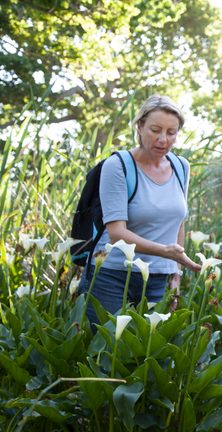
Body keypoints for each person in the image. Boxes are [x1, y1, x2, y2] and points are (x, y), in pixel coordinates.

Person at [79, 95, 201, 322]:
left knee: (151, 353)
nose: (163, 139)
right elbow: (117, 234)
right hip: (111, 274)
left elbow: (178, 222)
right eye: (155, 130)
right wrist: (166, 252)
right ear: (140, 126)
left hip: (159, 278)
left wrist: (176, 271)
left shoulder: (181, 166)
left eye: (171, 132)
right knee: (109, 352)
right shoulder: (118, 166)